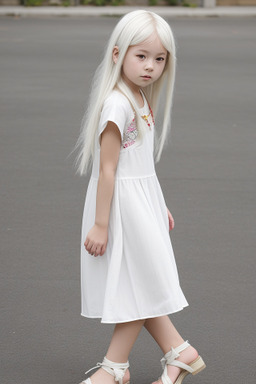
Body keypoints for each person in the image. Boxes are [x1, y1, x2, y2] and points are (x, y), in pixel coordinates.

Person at [75, 10, 206, 384]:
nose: (151, 66)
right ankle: (176, 353)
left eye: (160, 58)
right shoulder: (118, 103)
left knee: (137, 284)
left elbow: (141, 163)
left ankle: (118, 368)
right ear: (117, 55)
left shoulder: (139, 98)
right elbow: (109, 169)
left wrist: (157, 203)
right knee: (136, 283)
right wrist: (101, 224)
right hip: (119, 208)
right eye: (141, 56)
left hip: (139, 203)